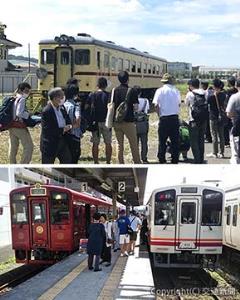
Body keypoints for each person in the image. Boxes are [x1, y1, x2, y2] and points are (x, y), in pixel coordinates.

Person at [112, 71, 141, 164]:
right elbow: (136, 107)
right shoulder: (132, 91)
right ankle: (137, 162)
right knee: (133, 143)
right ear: (128, 79)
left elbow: (111, 105)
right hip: (129, 122)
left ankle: (120, 163)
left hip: (117, 122)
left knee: (119, 144)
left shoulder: (114, 90)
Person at [152, 73, 181, 164]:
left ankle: (161, 158)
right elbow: (179, 104)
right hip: (174, 118)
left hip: (164, 118)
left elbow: (155, 105)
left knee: (162, 140)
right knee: (175, 140)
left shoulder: (159, 90)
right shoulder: (176, 90)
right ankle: (175, 158)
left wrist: (159, 114)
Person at [40, 87, 72, 164]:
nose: (63, 98)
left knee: (67, 161)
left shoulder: (62, 107)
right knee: (48, 164)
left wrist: (69, 126)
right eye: (61, 96)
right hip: (50, 143)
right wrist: (63, 130)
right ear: (55, 98)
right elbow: (47, 129)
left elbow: (67, 118)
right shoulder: (47, 111)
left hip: (62, 140)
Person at [86, 77, 112, 164]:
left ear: (97, 85)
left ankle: (96, 162)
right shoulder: (109, 95)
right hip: (106, 122)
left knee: (95, 143)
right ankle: (108, 162)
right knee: (108, 143)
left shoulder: (92, 95)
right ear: (106, 85)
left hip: (95, 123)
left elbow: (87, 108)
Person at [8, 82, 34, 164]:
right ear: (20, 90)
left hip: (11, 125)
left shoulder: (14, 98)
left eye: (28, 91)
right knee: (29, 146)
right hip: (19, 126)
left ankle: (12, 164)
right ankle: (23, 165)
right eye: (26, 91)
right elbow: (19, 113)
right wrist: (28, 114)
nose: (27, 93)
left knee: (13, 147)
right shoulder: (22, 99)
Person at [185, 78, 207, 163]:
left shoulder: (190, 94)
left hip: (193, 120)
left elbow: (186, 104)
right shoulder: (204, 92)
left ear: (191, 85)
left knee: (194, 141)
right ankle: (201, 159)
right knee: (201, 140)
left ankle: (197, 159)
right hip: (204, 120)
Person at [206, 79, 226, 159]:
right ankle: (222, 153)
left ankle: (215, 153)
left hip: (213, 117)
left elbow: (207, 102)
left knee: (214, 135)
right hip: (221, 117)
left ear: (214, 86)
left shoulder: (211, 96)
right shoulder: (223, 95)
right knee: (221, 135)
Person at [64, 84, 82, 163]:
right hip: (74, 135)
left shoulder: (62, 106)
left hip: (64, 135)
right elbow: (78, 120)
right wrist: (72, 126)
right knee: (74, 158)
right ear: (75, 94)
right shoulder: (76, 106)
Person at [134, 86, 150, 163]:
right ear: (140, 93)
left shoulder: (132, 102)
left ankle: (136, 159)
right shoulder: (146, 101)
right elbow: (147, 112)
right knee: (144, 142)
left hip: (134, 124)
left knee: (135, 143)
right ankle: (144, 158)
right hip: (143, 124)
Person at [226, 78, 240, 164]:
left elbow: (229, 114)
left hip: (237, 127)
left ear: (236, 85)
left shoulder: (234, 97)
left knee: (236, 154)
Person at [224, 77, 238, 147]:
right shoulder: (236, 90)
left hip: (229, 110)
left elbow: (226, 102)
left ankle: (227, 142)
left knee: (227, 127)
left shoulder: (228, 91)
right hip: (237, 111)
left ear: (229, 82)